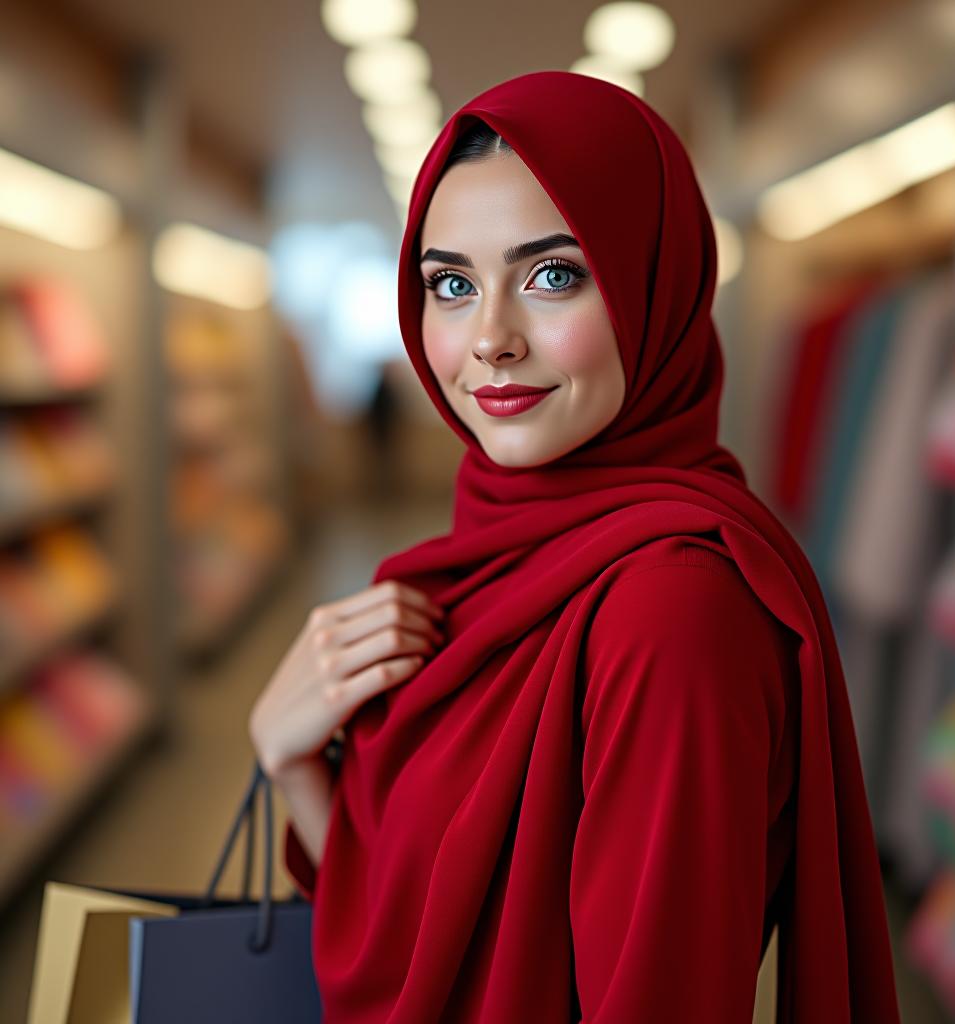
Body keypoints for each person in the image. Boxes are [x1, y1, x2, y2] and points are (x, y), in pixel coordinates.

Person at [249, 70, 901, 1023]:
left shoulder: (671, 611)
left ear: (657, 288)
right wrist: (295, 763)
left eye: (554, 275)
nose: (490, 340)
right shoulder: (488, 555)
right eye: (452, 285)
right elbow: (422, 945)